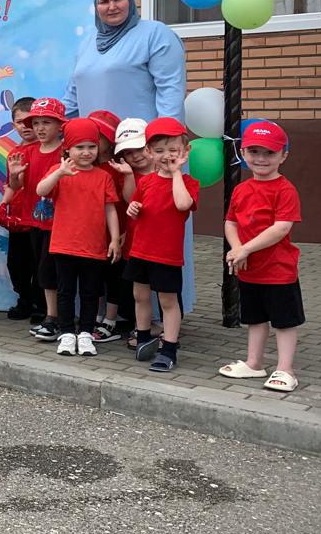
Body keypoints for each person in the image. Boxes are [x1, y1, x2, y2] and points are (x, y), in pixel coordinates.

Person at [63, 0, 193, 308]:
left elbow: (170, 89)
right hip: (98, 158)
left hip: (144, 156)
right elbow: (72, 97)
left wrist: (166, 147)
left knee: (149, 232)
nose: (111, 6)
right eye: (104, 1)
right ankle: (111, 313)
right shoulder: (87, 42)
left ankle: (161, 315)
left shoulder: (155, 34)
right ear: (96, 7)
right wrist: (59, 134)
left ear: (130, 1)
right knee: (108, 230)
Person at [219, 121, 304, 393]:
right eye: (254, 151)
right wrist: (237, 248)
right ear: (243, 153)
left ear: (283, 156)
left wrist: (245, 249)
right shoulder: (241, 189)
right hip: (250, 270)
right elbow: (231, 222)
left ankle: (286, 369)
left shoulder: (285, 190)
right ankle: (254, 363)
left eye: (269, 152)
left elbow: (281, 228)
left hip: (278, 270)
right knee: (254, 318)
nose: (261, 159)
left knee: (284, 321)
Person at [35, 118, 122, 358]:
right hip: (64, 245)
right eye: (79, 147)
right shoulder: (60, 171)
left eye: (91, 146)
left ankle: (85, 332)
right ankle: (66, 332)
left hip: (94, 246)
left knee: (90, 292)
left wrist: (114, 239)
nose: (86, 152)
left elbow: (110, 209)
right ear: (67, 148)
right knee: (65, 292)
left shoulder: (103, 176)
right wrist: (59, 173)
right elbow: (41, 190)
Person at [125, 118, 199, 372]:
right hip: (140, 250)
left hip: (166, 254)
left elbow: (182, 204)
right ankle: (143, 337)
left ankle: (169, 349)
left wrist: (176, 172)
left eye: (173, 150)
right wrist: (133, 209)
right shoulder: (145, 182)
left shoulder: (188, 182)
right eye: (159, 150)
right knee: (140, 296)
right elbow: (135, 206)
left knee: (168, 301)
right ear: (149, 152)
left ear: (185, 151)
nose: (167, 156)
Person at [6, 97, 66, 341]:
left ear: (60, 125)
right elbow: (15, 186)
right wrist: (14, 176)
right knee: (41, 269)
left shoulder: (66, 153)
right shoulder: (26, 153)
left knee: (54, 271)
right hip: (34, 221)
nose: (40, 128)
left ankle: (57, 316)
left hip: (60, 224)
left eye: (46, 123)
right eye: (36, 123)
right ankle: (50, 316)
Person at [94, 116, 152, 343]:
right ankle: (103, 318)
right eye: (129, 152)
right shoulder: (119, 171)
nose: (135, 155)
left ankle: (116, 321)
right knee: (104, 280)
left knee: (119, 278)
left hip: (138, 238)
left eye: (139, 148)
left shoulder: (161, 173)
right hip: (107, 235)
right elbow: (130, 200)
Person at [0, 97, 39, 320]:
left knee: (40, 266)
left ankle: (41, 306)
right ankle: (25, 300)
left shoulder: (49, 149)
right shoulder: (14, 153)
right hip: (18, 220)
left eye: (31, 121)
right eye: (21, 122)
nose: (26, 126)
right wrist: (3, 204)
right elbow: (12, 185)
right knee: (17, 265)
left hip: (41, 219)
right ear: (13, 124)